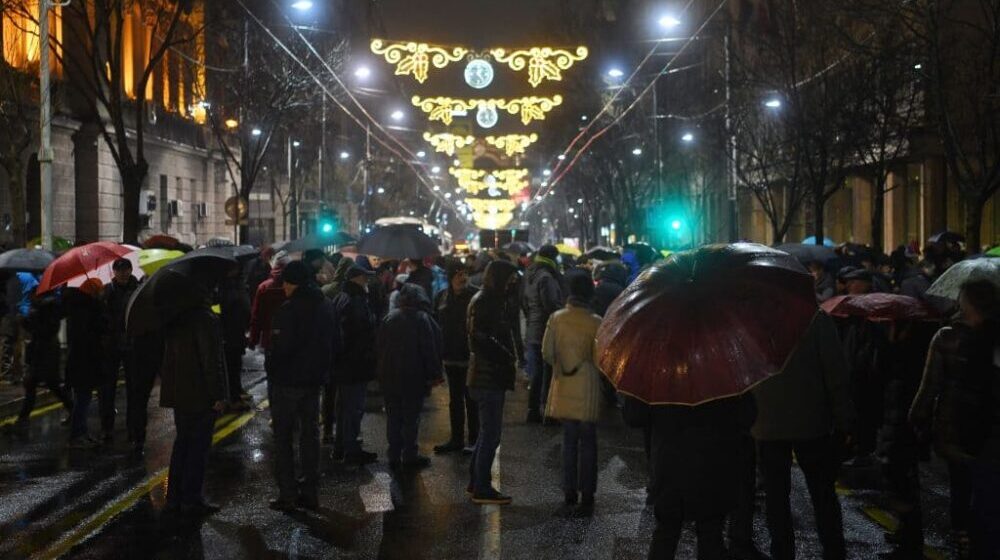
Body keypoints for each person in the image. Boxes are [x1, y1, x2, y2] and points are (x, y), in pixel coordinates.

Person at [753, 312, 855, 560]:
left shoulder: (754, 320)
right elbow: (835, 371)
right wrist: (845, 420)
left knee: (776, 497)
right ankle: (833, 551)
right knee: (823, 493)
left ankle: (782, 552)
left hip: (767, 423)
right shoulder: (816, 319)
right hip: (812, 422)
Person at [910, 279, 1000, 557]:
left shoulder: (947, 337)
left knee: (961, 486)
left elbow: (930, 386)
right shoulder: (994, 336)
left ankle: (964, 537)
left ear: (966, 302)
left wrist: (917, 417)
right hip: (990, 430)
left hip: (957, 426)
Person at [631, 395, 756, 560]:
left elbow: (634, 416)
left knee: (666, 534)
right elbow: (748, 415)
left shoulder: (659, 380)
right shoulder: (723, 380)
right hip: (713, 465)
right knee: (710, 536)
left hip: (670, 467)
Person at [265, 261, 340, 512]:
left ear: (293, 283)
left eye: (286, 283)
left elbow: (280, 349)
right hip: (314, 381)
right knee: (310, 437)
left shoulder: (288, 310)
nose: (284, 287)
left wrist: (272, 368)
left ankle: (288, 493)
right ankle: (311, 492)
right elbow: (335, 342)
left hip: (287, 382)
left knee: (284, 438)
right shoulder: (326, 305)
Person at [160, 283, 227, 516]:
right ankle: (191, 498)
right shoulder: (205, 320)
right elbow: (211, 361)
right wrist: (218, 394)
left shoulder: (175, 318)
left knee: (182, 444)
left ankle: (174, 497)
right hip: (200, 393)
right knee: (198, 448)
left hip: (180, 392)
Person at [542, 273, 603, 511]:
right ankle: (587, 494)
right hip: (587, 387)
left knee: (568, 442)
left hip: (565, 383)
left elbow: (547, 353)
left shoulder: (556, 318)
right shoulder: (596, 322)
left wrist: (561, 363)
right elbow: (600, 360)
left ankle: (569, 491)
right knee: (588, 443)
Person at [467, 260, 520, 505]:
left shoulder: (491, 300)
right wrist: (506, 355)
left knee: (486, 433)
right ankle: (482, 487)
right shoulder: (485, 301)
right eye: (510, 278)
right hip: (487, 376)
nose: (512, 283)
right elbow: (482, 338)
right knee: (491, 435)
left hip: (487, 375)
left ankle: (476, 481)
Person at [377, 284, 443, 471]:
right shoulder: (422, 318)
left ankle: (393, 454)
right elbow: (429, 349)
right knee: (411, 418)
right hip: (414, 377)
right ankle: (409, 455)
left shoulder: (390, 317)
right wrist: (435, 374)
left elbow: (379, 347)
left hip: (390, 377)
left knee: (393, 417)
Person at [330, 265, 379, 465]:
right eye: (364, 277)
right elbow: (360, 333)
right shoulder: (355, 300)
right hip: (354, 365)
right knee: (353, 408)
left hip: (343, 364)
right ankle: (351, 450)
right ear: (356, 279)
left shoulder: (341, 297)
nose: (367, 281)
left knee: (344, 407)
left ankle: (341, 447)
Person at [433, 260, 479, 455]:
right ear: (450, 276)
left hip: (470, 356)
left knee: (472, 399)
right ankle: (456, 439)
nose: (463, 277)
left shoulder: (475, 296)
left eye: (465, 273)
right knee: (455, 400)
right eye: (459, 274)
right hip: (450, 356)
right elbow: (436, 324)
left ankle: (475, 439)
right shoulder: (442, 297)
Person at [16, 287, 73, 428]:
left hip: (45, 352)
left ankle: (23, 418)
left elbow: (41, 329)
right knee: (37, 384)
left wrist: (25, 321)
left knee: (47, 384)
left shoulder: (46, 309)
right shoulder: (48, 307)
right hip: (44, 351)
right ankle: (23, 418)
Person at [522, 244, 564, 423]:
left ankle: (533, 410)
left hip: (533, 328)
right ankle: (547, 412)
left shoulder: (531, 274)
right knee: (547, 373)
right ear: (552, 258)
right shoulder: (546, 277)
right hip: (545, 329)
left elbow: (525, 302)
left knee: (537, 373)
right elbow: (551, 305)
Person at [65, 279, 107, 449]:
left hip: (81, 360)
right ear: (93, 292)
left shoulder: (79, 307)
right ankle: (77, 435)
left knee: (83, 398)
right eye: (100, 290)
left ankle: (82, 432)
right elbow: (91, 333)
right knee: (83, 398)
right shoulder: (87, 310)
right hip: (85, 361)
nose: (103, 292)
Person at [101, 258, 139, 443]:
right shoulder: (107, 291)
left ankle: (133, 427)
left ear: (131, 270)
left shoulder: (138, 290)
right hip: (111, 346)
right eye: (119, 270)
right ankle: (107, 427)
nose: (123, 273)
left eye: (126, 269)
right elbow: (101, 316)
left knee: (134, 388)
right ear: (114, 272)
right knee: (108, 388)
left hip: (131, 345)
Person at [219, 265, 252, 410]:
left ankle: (236, 391)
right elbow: (225, 306)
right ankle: (233, 398)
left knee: (236, 363)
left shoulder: (236, 283)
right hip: (229, 332)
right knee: (231, 365)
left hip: (237, 330)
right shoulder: (224, 286)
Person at [248, 252, 289, 353]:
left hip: (269, 336)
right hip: (290, 336)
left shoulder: (264, 287)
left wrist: (253, 339)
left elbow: (257, 315)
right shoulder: (294, 286)